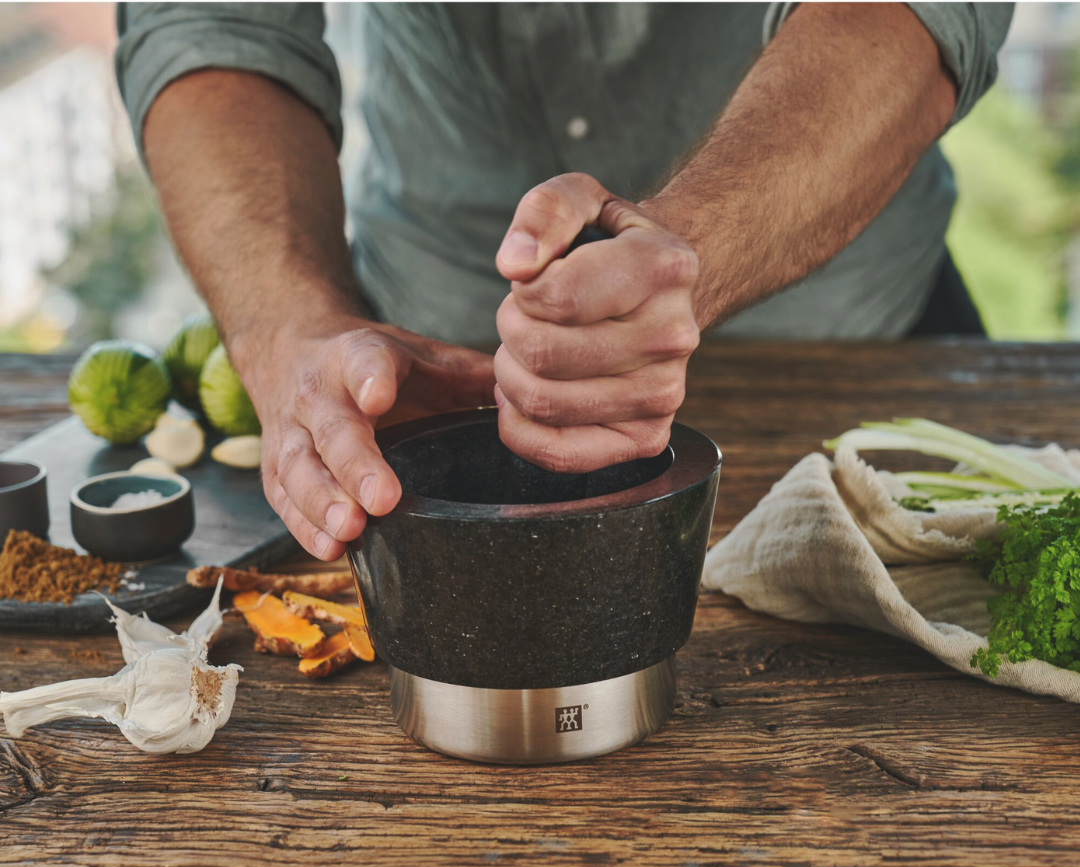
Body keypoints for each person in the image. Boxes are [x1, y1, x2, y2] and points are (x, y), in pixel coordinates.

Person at [116, 2, 1012, 560]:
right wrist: (290, 327)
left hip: (853, 351)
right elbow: (210, 24)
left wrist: (692, 244)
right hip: (415, 394)